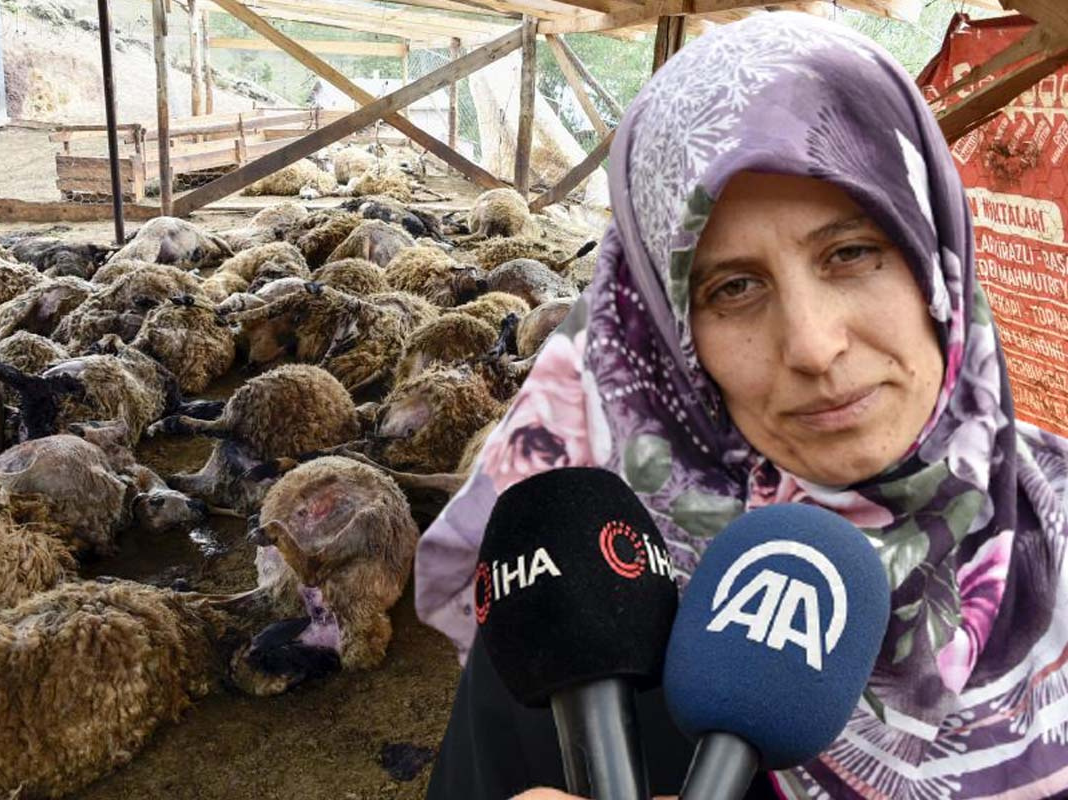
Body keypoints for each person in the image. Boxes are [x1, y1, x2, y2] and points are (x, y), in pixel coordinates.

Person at [414, 11, 1068, 799]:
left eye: (854, 251)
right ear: (664, 332)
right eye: (733, 287)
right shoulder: (580, 615)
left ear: (937, 256)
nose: (813, 345)